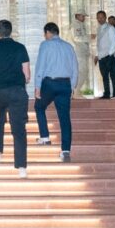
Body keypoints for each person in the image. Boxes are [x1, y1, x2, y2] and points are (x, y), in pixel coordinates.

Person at [0, 19, 31, 178]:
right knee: (19, 129)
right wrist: (23, 80)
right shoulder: (20, 48)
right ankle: (21, 167)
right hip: (17, 91)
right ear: (10, 32)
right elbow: (27, 75)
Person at [33, 22, 80, 162]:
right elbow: (75, 69)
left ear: (48, 32)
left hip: (50, 83)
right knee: (64, 117)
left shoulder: (45, 45)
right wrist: (72, 87)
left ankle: (45, 137)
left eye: (45, 34)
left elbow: (40, 66)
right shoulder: (69, 46)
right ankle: (65, 151)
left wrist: (37, 86)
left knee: (39, 107)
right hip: (65, 84)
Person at [94, 11, 115, 98]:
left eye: (101, 17)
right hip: (101, 56)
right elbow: (99, 43)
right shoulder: (98, 28)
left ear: (105, 17)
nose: (100, 19)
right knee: (104, 76)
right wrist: (97, 55)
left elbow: (114, 42)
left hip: (110, 55)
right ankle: (107, 93)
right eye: (98, 17)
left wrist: (110, 54)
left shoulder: (110, 28)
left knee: (113, 75)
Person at [71, 13, 90, 94]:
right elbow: (76, 38)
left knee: (84, 71)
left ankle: (76, 91)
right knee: (82, 71)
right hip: (78, 52)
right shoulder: (75, 25)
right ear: (77, 16)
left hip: (82, 52)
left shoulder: (81, 25)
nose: (84, 17)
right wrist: (89, 37)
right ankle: (76, 91)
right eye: (82, 16)